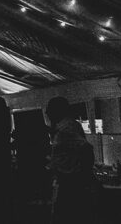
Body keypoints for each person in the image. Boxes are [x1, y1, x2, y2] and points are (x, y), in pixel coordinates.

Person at [46, 96, 98, 224]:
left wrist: (83, 175)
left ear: (57, 111)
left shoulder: (67, 128)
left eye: (49, 110)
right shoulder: (64, 128)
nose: (47, 113)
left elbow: (86, 149)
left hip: (72, 183)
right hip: (69, 181)